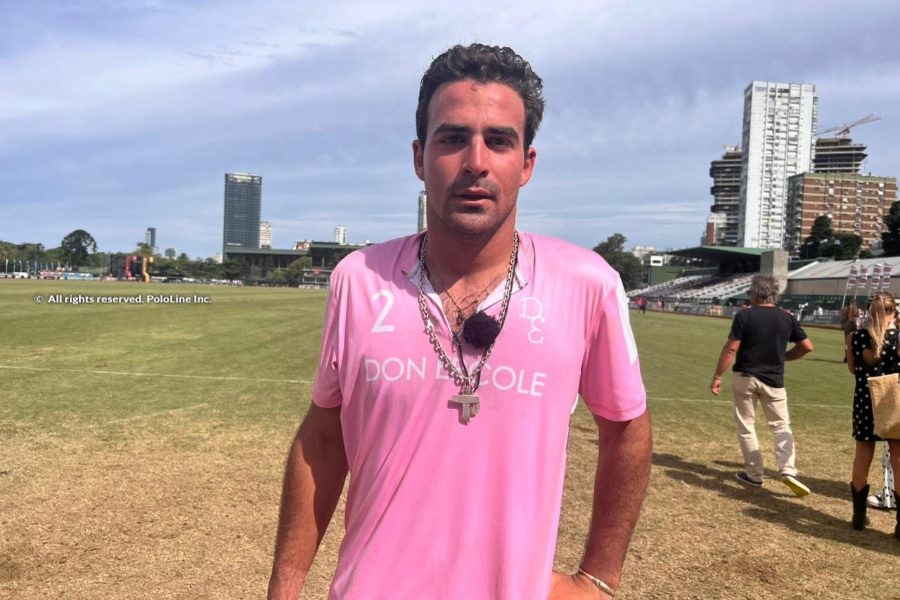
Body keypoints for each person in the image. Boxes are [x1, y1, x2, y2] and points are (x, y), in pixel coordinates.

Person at [267, 43, 652, 600]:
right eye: (452, 138)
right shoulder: (358, 280)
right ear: (419, 158)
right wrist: (285, 588)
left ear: (526, 164)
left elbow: (627, 429)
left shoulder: (587, 284)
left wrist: (598, 578)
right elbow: (323, 441)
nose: (476, 161)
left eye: (499, 140)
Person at [709, 274, 814, 495]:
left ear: (756, 293)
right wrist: (784, 357)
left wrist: (718, 376)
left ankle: (754, 474)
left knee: (746, 426)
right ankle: (788, 470)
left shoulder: (745, 315)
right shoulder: (787, 317)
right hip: (774, 380)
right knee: (781, 426)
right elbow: (806, 346)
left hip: (745, 377)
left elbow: (731, 348)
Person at [846, 292, 900, 536]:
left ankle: (858, 515)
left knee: (862, 457)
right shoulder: (897, 338)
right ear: (893, 312)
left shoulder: (856, 337)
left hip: (865, 400)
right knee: (898, 459)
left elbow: (852, 369)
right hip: (892, 402)